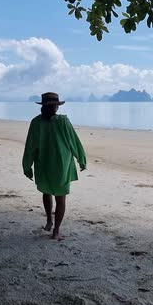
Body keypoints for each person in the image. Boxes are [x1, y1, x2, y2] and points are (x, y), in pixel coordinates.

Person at [22, 92, 87, 240]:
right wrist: (27, 165)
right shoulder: (41, 122)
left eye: (53, 106)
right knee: (51, 194)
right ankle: (52, 224)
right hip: (52, 163)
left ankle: (53, 226)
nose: (52, 108)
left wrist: (81, 159)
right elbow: (30, 146)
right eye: (50, 106)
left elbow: (73, 141)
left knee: (54, 194)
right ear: (47, 107)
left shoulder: (56, 122)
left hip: (54, 163)